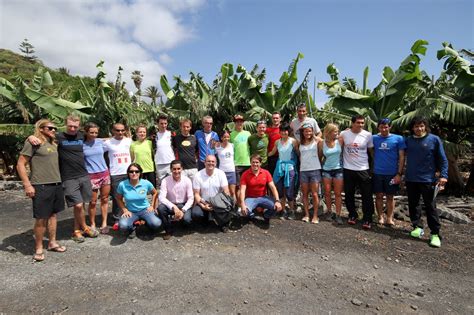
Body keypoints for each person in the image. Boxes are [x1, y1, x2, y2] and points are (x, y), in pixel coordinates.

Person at [29, 115, 99, 242]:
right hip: (68, 177)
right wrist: (30, 136)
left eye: (75, 126)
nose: (73, 129)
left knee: (81, 203)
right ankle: (85, 227)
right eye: (70, 126)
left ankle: (76, 230)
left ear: (79, 126)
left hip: (83, 174)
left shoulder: (81, 136)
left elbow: (96, 138)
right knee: (77, 205)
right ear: (66, 124)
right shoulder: (58, 136)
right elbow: (41, 136)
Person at [17, 119, 66, 261]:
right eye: (50, 128)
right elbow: (20, 164)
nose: (53, 130)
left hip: (56, 184)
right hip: (41, 185)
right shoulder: (33, 143)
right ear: (41, 128)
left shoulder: (53, 143)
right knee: (41, 218)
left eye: (55, 128)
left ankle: (52, 242)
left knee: (53, 215)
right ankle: (38, 247)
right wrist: (27, 185)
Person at [405, 117, 448, 248]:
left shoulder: (434, 139)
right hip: (411, 178)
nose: (419, 128)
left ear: (425, 127)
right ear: (412, 128)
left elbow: (443, 159)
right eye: (416, 126)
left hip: (428, 179)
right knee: (413, 204)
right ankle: (417, 226)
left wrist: (443, 176)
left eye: (422, 126)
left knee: (430, 206)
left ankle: (435, 234)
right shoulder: (408, 140)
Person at [340, 115, 375, 229]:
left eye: (362, 123)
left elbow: (371, 152)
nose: (360, 125)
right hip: (348, 168)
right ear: (352, 123)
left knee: (367, 195)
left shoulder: (368, 135)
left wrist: (372, 168)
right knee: (349, 194)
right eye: (358, 123)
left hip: (363, 169)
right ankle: (352, 215)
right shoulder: (344, 134)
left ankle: (368, 218)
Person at [372, 118, 406, 226]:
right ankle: (380, 216)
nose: (384, 129)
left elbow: (401, 157)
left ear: (390, 127)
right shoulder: (374, 138)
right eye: (381, 127)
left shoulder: (398, 139)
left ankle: (389, 218)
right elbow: (370, 150)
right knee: (378, 195)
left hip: (392, 173)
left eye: (386, 127)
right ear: (378, 127)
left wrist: (399, 173)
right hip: (377, 172)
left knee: (390, 196)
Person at [116, 163, 161, 239]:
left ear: (140, 173)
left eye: (137, 171)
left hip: (145, 210)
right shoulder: (122, 185)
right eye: (131, 171)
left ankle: (146, 225)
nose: (134, 173)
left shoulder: (146, 183)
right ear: (128, 173)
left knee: (157, 223)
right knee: (123, 226)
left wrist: (152, 206)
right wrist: (125, 210)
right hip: (131, 211)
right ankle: (133, 227)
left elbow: (155, 192)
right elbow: (118, 198)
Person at [239, 154, 282, 229]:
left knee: (276, 207)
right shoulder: (245, 174)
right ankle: (251, 215)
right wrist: (242, 204)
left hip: (263, 197)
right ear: (250, 163)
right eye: (253, 162)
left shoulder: (266, 173)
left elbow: (273, 187)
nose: (255, 164)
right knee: (244, 211)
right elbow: (242, 190)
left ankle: (266, 215)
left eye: (257, 162)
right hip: (251, 198)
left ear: (260, 163)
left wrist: (277, 201)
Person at [83, 122, 111, 234]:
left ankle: (104, 223)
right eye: (91, 132)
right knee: (93, 202)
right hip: (91, 175)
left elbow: (112, 139)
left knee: (105, 199)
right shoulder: (81, 144)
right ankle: (93, 223)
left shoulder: (100, 142)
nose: (94, 135)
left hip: (104, 173)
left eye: (96, 132)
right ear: (86, 132)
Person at [104, 123, 132, 230]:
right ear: (113, 131)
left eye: (122, 130)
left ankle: (131, 215)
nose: (120, 132)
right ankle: (116, 217)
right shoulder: (108, 143)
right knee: (117, 197)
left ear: (125, 130)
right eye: (117, 130)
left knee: (130, 195)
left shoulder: (128, 141)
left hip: (129, 172)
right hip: (115, 173)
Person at [192, 155, 231, 232]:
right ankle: (205, 221)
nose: (210, 163)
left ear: (216, 163)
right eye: (208, 161)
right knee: (196, 213)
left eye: (213, 161)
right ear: (204, 163)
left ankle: (223, 223)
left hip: (218, 201)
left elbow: (226, 191)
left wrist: (222, 203)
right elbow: (196, 194)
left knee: (228, 205)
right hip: (204, 201)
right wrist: (203, 206)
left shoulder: (221, 173)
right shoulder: (198, 175)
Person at [157, 160, 194, 240]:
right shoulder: (165, 180)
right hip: (171, 205)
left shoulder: (187, 180)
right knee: (160, 208)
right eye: (174, 169)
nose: (176, 171)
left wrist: (183, 210)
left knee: (187, 220)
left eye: (178, 169)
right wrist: (173, 207)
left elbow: (191, 198)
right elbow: (161, 197)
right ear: (171, 170)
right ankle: (168, 230)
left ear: (182, 169)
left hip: (183, 204)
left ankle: (182, 222)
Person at [268, 123, 298, 220]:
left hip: (290, 167)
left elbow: (298, 153)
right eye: (282, 130)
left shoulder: (293, 141)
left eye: (286, 130)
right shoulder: (277, 142)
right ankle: (283, 210)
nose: (284, 132)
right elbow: (272, 152)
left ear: (288, 131)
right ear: (279, 132)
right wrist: (261, 156)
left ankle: (292, 211)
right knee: (280, 189)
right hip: (280, 167)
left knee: (289, 190)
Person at [318, 123, 344, 225]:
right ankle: (329, 212)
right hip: (326, 170)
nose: (337, 133)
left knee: (338, 193)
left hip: (338, 169)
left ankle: (338, 214)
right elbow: (320, 157)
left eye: (337, 131)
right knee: (327, 193)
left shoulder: (340, 141)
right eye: (334, 131)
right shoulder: (322, 143)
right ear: (328, 132)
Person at [299, 124, 323, 224]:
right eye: (306, 131)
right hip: (303, 170)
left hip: (315, 169)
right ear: (303, 132)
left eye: (310, 131)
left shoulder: (316, 141)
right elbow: (300, 156)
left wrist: (314, 135)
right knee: (304, 194)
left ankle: (315, 215)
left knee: (314, 194)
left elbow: (322, 142)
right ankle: (307, 214)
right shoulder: (300, 143)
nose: (308, 133)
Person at [230, 114, 251, 194]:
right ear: (235, 123)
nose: (239, 123)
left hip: (248, 163)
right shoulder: (231, 135)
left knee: (248, 185)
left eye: (241, 122)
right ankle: (239, 205)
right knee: (238, 186)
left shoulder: (248, 133)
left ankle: (248, 204)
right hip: (236, 163)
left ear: (243, 123)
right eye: (237, 122)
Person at [215, 130, 237, 200]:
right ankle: (223, 207)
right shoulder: (217, 147)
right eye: (224, 137)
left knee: (233, 192)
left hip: (231, 171)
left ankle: (234, 208)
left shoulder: (232, 146)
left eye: (228, 137)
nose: (226, 139)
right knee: (223, 191)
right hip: (222, 172)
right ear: (221, 138)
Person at [154, 115, 175, 183]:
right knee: (162, 185)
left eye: (165, 123)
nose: (163, 125)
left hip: (170, 163)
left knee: (173, 183)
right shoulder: (154, 136)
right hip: (159, 164)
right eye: (161, 123)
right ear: (157, 124)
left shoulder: (171, 134)